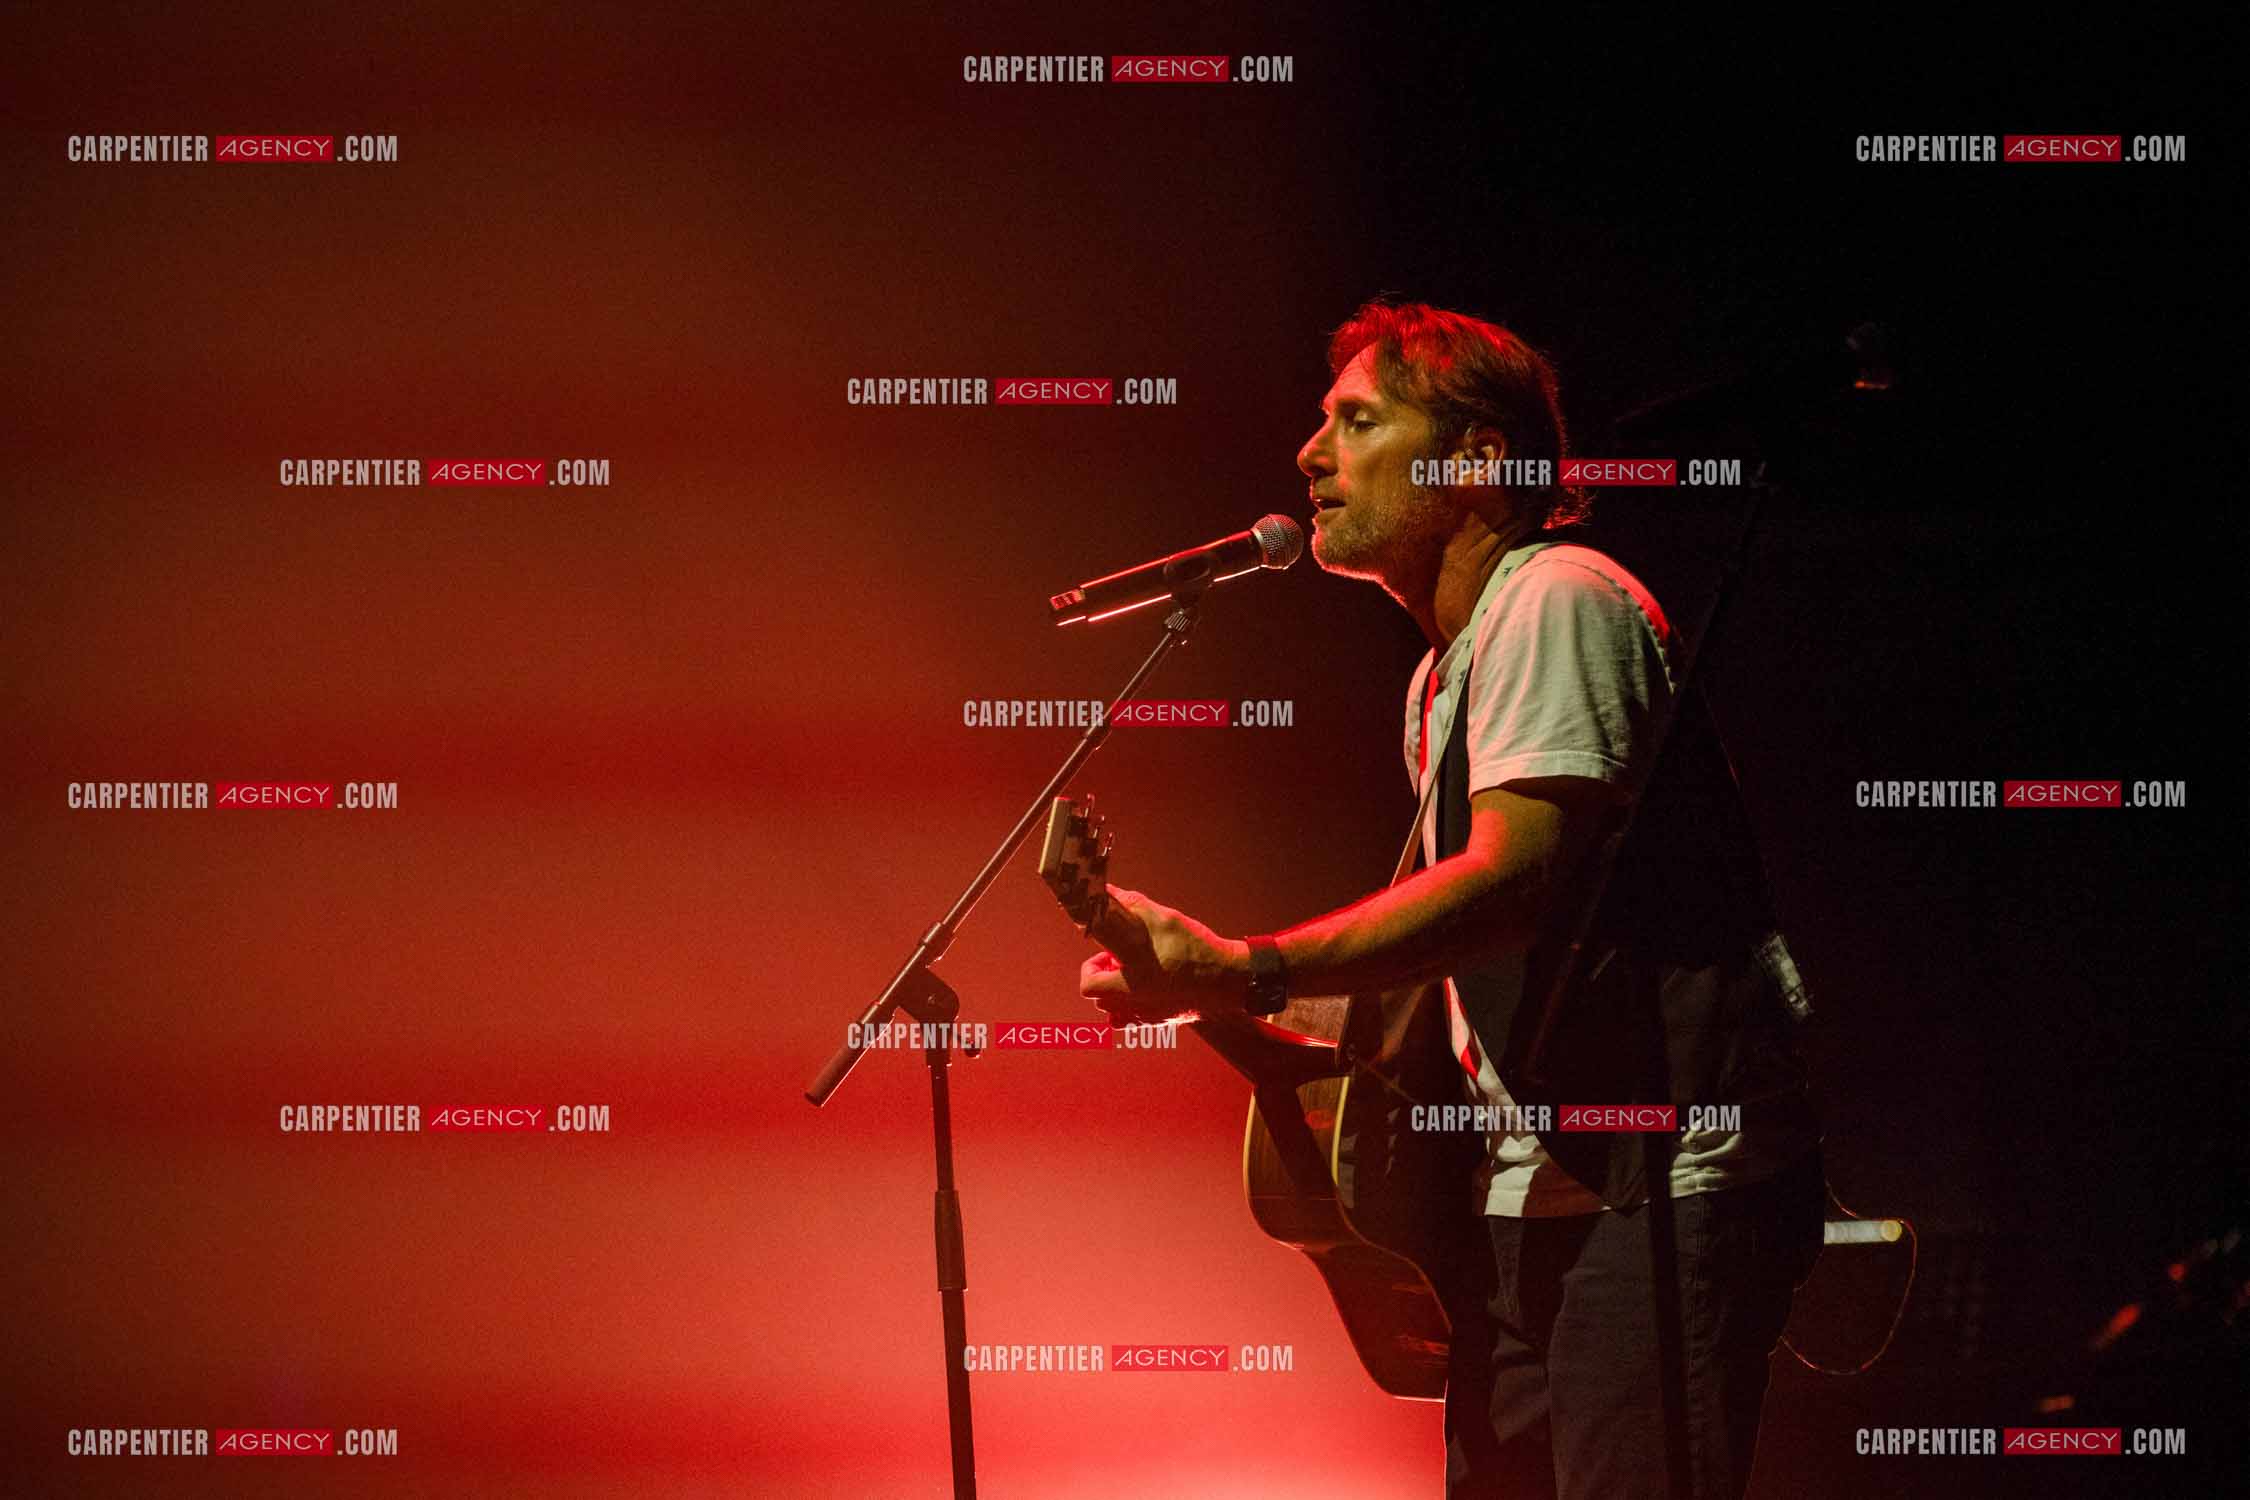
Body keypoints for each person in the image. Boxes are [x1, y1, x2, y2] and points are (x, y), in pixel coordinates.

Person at [1078, 299, 1824, 1500]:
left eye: (1358, 422)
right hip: (1539, 1192)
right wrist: (1203, 983)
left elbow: (1513, 883)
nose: (1311, 456)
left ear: (1478, 459)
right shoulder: (1442, 675)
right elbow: (1458, 978)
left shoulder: (1558, 598)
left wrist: (1247, 966)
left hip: (1661, 1179)